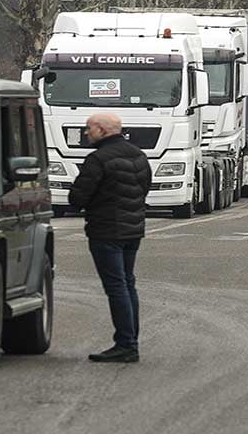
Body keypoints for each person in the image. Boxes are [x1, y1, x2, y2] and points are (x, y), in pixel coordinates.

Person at [68, 112, 151, 363]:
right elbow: (144, 188)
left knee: (116, 286)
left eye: (89, 128)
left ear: (103, 130)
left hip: (106, 231)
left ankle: (126, 344)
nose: (86, 133)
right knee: (127, 283)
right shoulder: (138, 155)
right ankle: (130, 340)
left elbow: (78, 197)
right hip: (133, 229)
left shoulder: (98, 159)